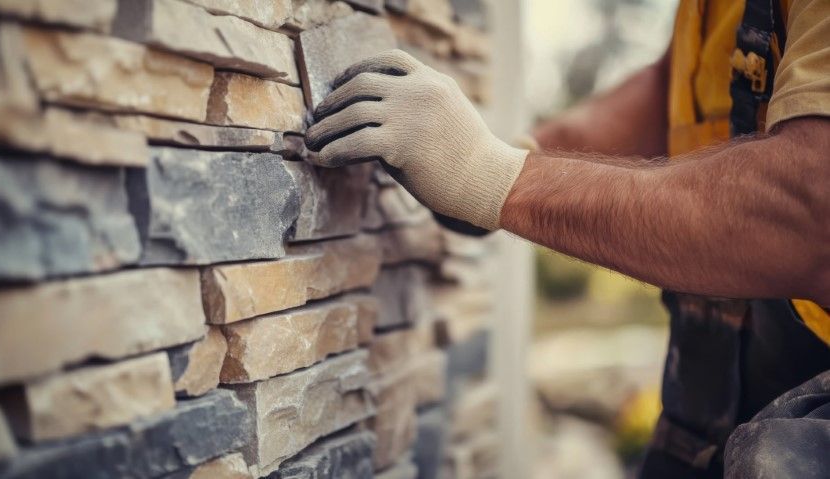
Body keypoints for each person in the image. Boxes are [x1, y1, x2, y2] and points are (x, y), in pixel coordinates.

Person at [303, 0, 829, 477]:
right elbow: (674, 84)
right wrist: (521, 148)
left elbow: (808, 212)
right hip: (709, 390)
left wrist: (490, 175)